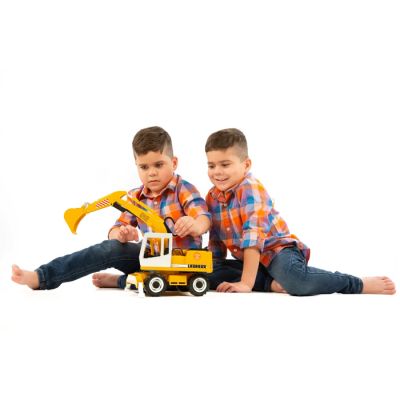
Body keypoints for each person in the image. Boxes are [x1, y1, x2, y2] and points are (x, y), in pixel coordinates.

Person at [12, 126, 211, 290]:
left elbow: (203, 218)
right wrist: (121, 234)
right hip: (151, 258)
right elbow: (114, 231)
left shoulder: (183, 190)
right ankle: (43, 276)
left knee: (170, 283)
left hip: (182, 263)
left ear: (173, 163)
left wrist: (194, 225)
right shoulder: (134, 198)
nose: (151, 173)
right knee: (109, 248)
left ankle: (119, 281)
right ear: (136, 166)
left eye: (158, 165)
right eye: (144, 167)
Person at [204, 128, 396, 295]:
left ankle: (355, 284)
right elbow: (216, 241)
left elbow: (253, 237)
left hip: (277, 252)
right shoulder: (212, 197)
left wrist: (246, 283)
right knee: (205, 272)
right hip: (251, 261)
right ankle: (271, 283)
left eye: (225, 164)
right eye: (211, 166)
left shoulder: (250, 189)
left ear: (246, 165)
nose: (217, 171)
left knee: (296, 280)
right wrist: (213, 265)